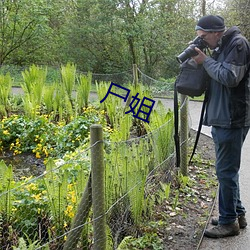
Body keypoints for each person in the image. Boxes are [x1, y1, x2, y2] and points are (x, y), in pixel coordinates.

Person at [192, 15, 250, 238]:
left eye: (204, 37)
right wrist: (202, 60)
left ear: (216, 32)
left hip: (232, 118)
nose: (203, 41)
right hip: (222, 117)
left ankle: (228, 223)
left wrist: (205, 61)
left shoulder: (238, 44)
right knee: (227, 171)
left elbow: (229, 77)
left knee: (225, 171)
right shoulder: (221, 46)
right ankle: (237, 214)